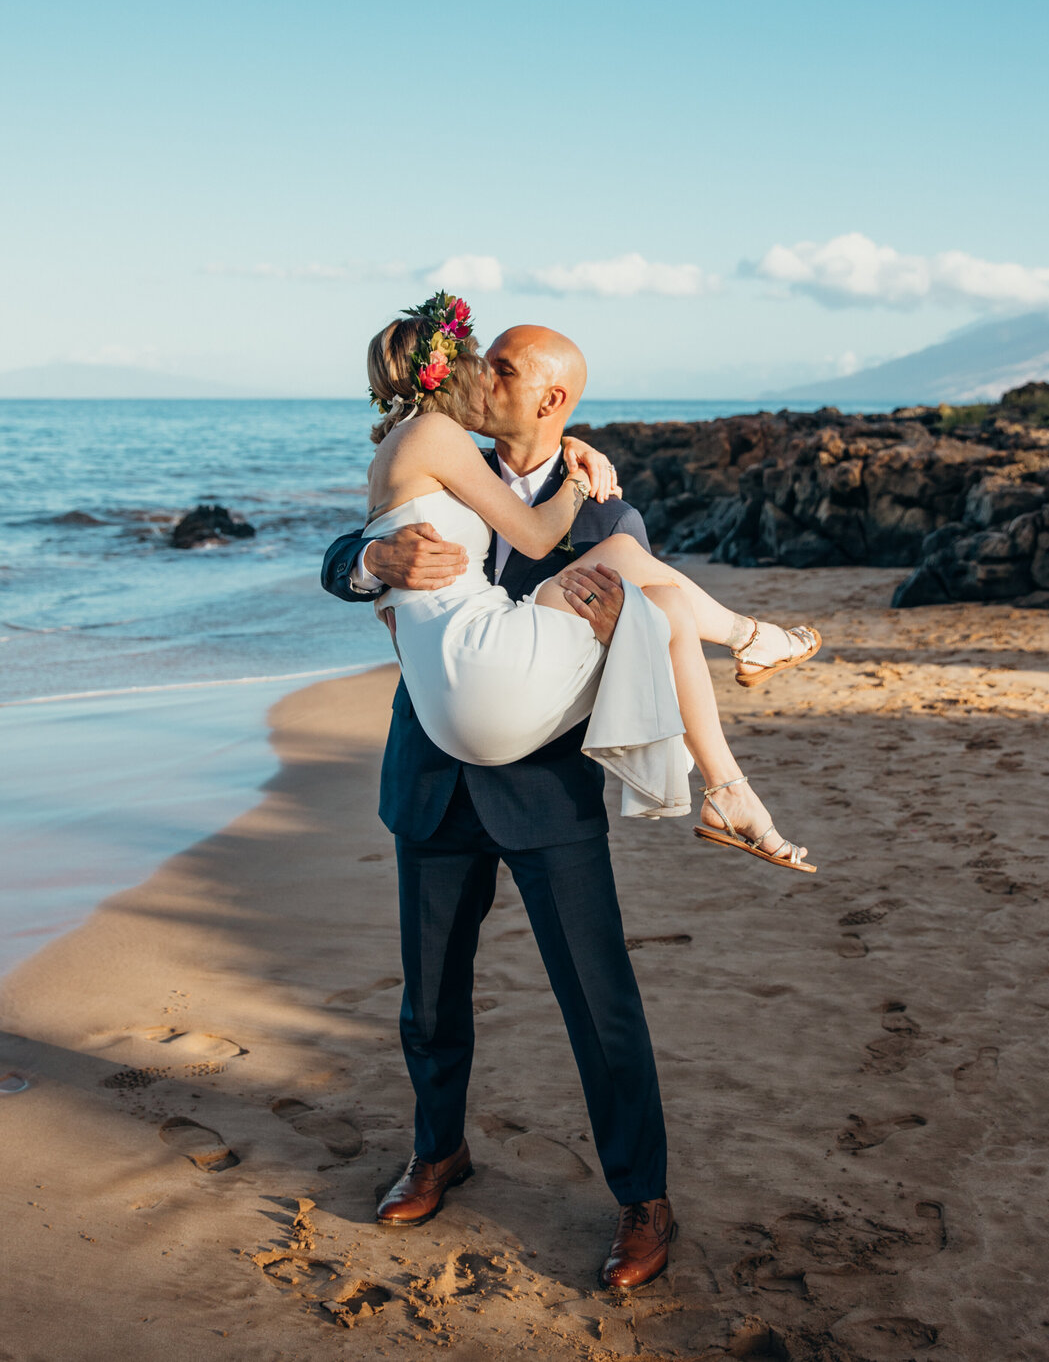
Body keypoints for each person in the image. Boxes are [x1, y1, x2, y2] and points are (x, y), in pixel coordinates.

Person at [321, 293, 820, 1288]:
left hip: (544, 786)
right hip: (433, 772)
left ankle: (644, 1200)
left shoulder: (605, 510)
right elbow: (348, 552)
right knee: (429, 998)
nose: (480, 376)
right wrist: (375, 559)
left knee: (601, 1002)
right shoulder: (440, 453)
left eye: (501, 367)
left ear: (548, 396)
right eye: (480, 360)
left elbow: (633, 604)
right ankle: (436, 1150)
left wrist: (608, 621)